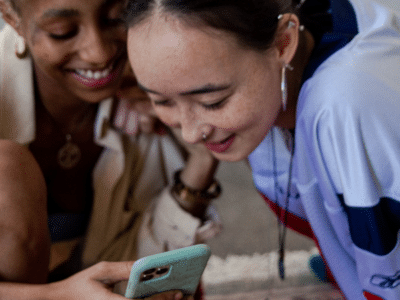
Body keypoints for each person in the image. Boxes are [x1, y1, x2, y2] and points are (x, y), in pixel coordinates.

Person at [125, 0, 400, 299]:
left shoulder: (346, 105)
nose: (190, 134)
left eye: (213, 102)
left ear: (283, 42)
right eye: (161, 101)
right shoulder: (295, 32)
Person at [0, 0, 221, 298]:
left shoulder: (154, 89)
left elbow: (149, 274)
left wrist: (201, 157)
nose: (99, 53)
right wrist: (54, 295)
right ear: (10, 16)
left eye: (118, 17)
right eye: (62, 31)